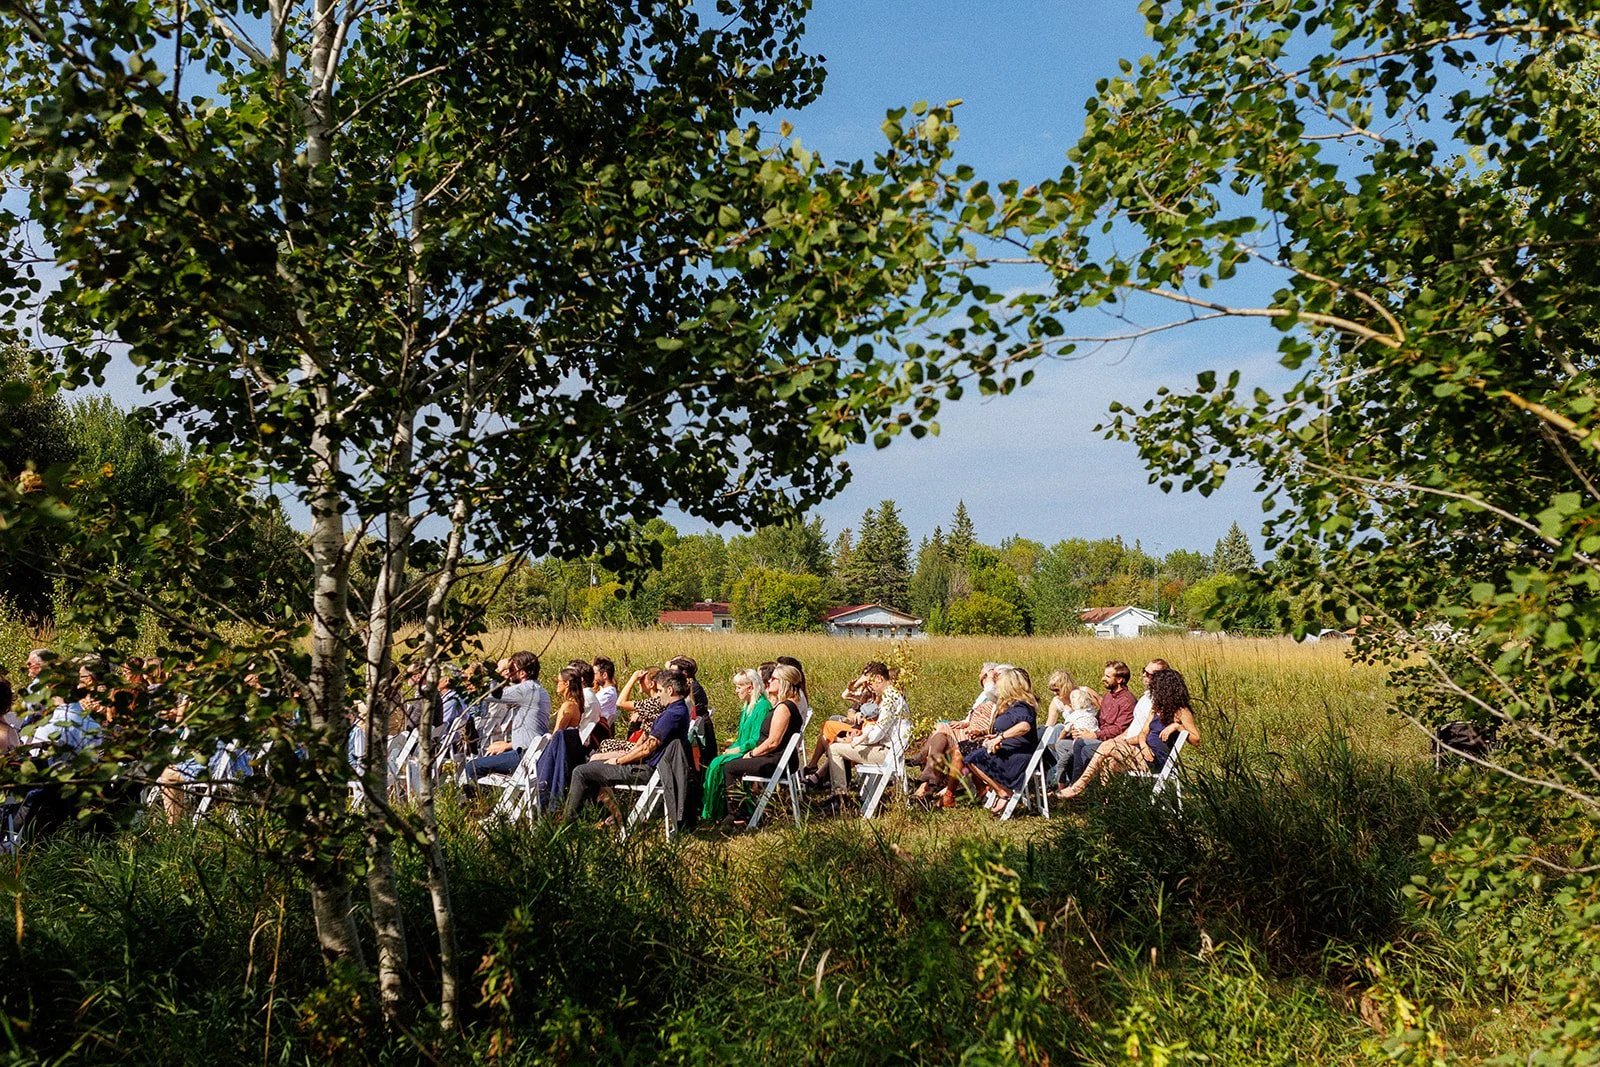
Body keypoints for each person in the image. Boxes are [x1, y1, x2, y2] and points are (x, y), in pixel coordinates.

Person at [562, 668, 693, 826]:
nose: (658, 695)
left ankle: (568, 823)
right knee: (593, 767)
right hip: (653, 767)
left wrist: (619, 760)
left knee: (581, 771)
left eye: (659, 691)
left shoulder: (672, 714)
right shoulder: (679, 710)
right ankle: (594, 816)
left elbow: (647, 748)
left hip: (647, 770)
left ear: (670, 690)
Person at [1056, 666, 1201, 799]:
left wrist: (1177, 726)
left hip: (1157, 761)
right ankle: (1107, 805)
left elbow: (1196, 740)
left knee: (1109, 746)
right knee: (1109, 761)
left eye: (1156, 687)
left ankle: (1079, 785)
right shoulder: (1156, 708)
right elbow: (1143, 733)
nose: (1153, 690)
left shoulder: (1181, 711)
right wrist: (1143, 744)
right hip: (1142, 754)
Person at [718, 664, 806, 827]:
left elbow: (773, 742)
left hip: (776, 760)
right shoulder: (786, 705)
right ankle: (741, 810)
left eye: (774, 678)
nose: (769, 680)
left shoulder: (784, 708)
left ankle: (737, 815)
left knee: (730, 767)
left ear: (784, 682)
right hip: (781, 759)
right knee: (733, 764)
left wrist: (751, 754)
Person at [912, 663, 1004, 806]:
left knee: (941, 729)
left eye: (983, 674)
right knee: (940, 731)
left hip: (977, 736)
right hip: (969, 730)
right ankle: (926, 785)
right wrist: (964, 722)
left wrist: (990, 678)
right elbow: (971, 715)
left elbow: (992, 720)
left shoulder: (998, 694)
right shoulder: (983, 696)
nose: (980, 677)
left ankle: (925, 779)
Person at [822, 661, 907, 807]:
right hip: (887, 748)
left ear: (879, 679)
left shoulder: (890, 700)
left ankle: (840, 796)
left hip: (886, 752)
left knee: (835, 749)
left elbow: (877, 734)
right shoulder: (892, 696)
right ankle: (839, 794)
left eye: (871, 683)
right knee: (837, 744)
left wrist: (855, 740)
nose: (871, 688)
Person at [962, 666, 1041, 813]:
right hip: (1010, 749)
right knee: (970, 755)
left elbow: (1024, 726)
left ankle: (1003, 792)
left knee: (973, 759)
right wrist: (990, 734)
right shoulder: (1013, 705)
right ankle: (999, 790)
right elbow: (1010, 727)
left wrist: (1001, 737)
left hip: (1018, 755)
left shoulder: (1022, 706)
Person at [1055, 660, 1139, 793]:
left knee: (1081, 744)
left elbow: (1119, 729)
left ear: (1119, 679)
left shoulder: (1127, 701)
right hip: (1099, 736)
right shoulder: (1107, 697)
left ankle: (1076, 786)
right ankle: (1065, 781)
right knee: (1061, 744)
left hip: (1113, 742)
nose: (1103, 679)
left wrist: (1093, 735)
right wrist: (1083, 730)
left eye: (1107, 676)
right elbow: (1098, 720)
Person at [700, 668, 772, 821]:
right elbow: (741, 736)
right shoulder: (747, 706)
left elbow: (757, 738)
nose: (736, 691)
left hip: (754, 751)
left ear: (750, 687)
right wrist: (731, 748)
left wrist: (737, 750)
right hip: (743, 747)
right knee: (715, 763)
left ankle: (732, 810)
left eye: (739, 687)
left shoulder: (762, 706)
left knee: (719, 765)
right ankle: (718, 808)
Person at [462, 650, 547, 780]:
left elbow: (488, 695)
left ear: (522, 673)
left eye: (512, 668)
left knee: (472, 767)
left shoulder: (525, 690)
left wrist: (498, 670)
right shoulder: (538, 689)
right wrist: (507, 745)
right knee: (487, 758)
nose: (509, 672)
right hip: (529, 751)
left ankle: (482, 799)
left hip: (522, 755)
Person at [802, 674, 877, 784]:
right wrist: (857, 684)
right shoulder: (865, 693)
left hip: (862, 731)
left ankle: (820, 769)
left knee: (827, 726)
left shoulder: (875, 697)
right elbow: (846, 696)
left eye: (866, 676)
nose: (864, 679)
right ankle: (821, 771)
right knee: (827, 729)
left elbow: (867, 718)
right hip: (856, 727)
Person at [1043, 667, 1100, 787]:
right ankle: (1055, 775)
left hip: (1090, 730)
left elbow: (1103, 706)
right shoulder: (1056, 701)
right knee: (1056, 728)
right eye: (1053, 690)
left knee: (1059, 730)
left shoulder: (1084, 692)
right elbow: (1049, 724)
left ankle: (1063, 778)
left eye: (1057, 690)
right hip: (1071, 732)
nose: (1055, 693)